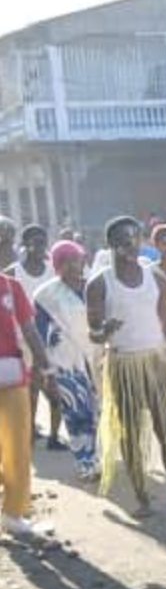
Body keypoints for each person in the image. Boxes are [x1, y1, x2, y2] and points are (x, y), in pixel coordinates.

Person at [87, 216, 166, 523]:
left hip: (157, 360)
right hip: (123, 363)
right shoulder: (99, 283)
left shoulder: (156, 278)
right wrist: (104, 330)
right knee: (131, 431)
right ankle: (141, 496)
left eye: (135, 238)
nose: (130, 245)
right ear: (111, 244)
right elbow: (93, 331)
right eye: (123, 240)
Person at [31, 240, 99, 482]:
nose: (71, 265)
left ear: (83, 261)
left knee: (98, 413)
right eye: (64, 261)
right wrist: (46, 372)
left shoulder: (95, 287)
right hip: (65, 364)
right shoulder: (45, 295)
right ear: (57, 265)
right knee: (76, 414)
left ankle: (98, 457)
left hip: (98, 359)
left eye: (75, 260)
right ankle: (86, 464)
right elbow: (38, 334)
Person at [0, 261, 56, 537]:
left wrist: (46, 366)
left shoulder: (12, 286)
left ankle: (13, 512)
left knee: (18, 445)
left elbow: (29, 329)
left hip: (11, 376)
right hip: (11, 374)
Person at [6, 224, 60, 448]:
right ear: (26, 245)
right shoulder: (13, 272)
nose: (41, 247)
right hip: (21, 340)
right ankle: (29, 434)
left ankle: (53, 438)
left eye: (43, 242)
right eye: (36, 242)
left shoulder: (52, 270)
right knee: (31, 390)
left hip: (48, 338)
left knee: (53, 388)